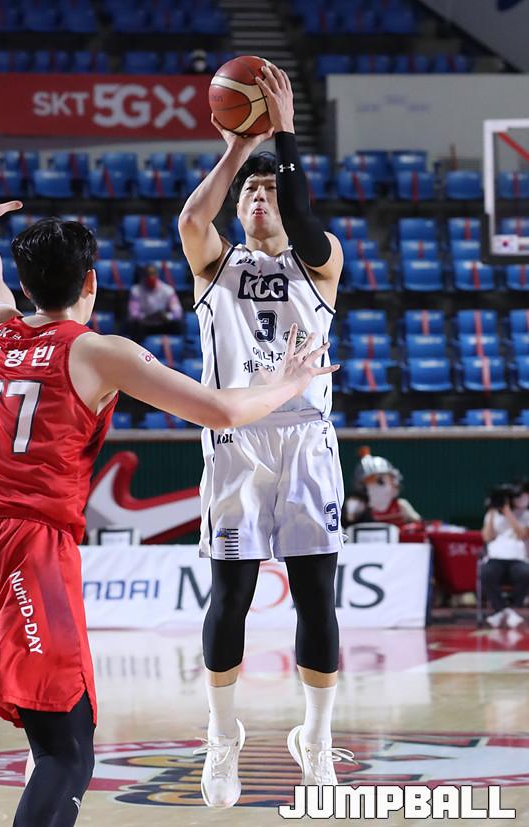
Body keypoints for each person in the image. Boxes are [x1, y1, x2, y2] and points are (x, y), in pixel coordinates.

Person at [0, 153, 336, 827]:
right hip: (23, 550)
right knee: (68, 751)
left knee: (50, 728)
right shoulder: (97, 351)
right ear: (91, 282)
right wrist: (292, 381)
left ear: (26, 286)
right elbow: (221, 410)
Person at [179, 63, 353, 808]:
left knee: (317, 597)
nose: (257, 197)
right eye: (249, 192)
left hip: (307, 441)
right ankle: (224, 737)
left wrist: (283, 138)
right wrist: (237, 150)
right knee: (232, 596)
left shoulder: (322, 260)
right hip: (237, 443)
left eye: (269, 190)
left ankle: (315, 737)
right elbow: (192, 221)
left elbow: (306, 220)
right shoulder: (216, 264)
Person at [481, 482, 529, 628]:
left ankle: (511, 608)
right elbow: (487, 536)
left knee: (525, 573)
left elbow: (522, 534)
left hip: (517, 558)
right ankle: (502, 609)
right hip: (496, 557)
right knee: (487, 573)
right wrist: (491, 512)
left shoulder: (525, 515)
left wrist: (507, 512)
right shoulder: (492, 514)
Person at [345, 446, 421, 528]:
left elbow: (419, 523)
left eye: (383, 482)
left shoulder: (401, 505)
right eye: (378, 483)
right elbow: (349, 524)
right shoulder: (359, 506)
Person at [127, 263, 183, 342]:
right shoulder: (136, 291)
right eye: (148, 274)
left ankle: (176, 346)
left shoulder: (168, 290)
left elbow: (177, 312)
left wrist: (167, 316)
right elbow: (133, 314)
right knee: (134, 326)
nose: (150, 277)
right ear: (143, 276)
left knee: (178, 324)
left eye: (153, 274)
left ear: (157, 274)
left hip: (163, 323)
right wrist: (145, 317)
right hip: (145, 324)